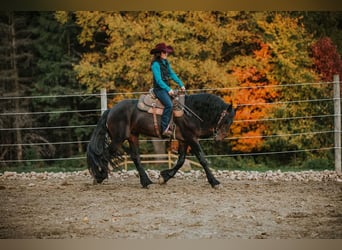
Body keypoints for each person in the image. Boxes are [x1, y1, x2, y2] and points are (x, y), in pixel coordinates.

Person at [150, 43, 186, 137]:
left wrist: (181, 84)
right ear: (159, 53)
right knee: (169, 105)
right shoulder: (155, 65)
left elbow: (172, 74)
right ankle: (164, 128)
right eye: (164, 52)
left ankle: (175, 127)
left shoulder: (166, 63)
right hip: (159, 89)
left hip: (166, 89)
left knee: (178, 103)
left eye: (167, 52)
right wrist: (168, 89)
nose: (166, 53)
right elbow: (158, 80)